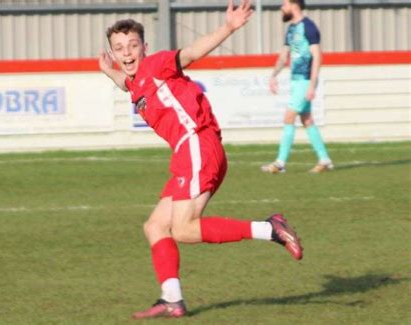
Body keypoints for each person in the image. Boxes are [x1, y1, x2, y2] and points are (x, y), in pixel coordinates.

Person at [99, 0, 303, 319]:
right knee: (156, 226)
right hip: (193, 151)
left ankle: (269, 228)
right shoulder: (136, 81)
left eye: (132, 46)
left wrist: (229, 27)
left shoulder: (156, 65)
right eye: (119, 48)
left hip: (196, 143)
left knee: (182, 229)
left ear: (145, 48)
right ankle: (172, 299)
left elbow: (191, 53)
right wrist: (108, 70)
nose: (126, 53)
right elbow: (126, 83)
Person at [262, 0, 333, 174]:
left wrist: (312, 85)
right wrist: (273, 75)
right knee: (306, 119)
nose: (281, 7)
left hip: (304, 81)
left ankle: (280, 163)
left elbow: (317, 57)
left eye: (284, 4)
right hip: (295, 81)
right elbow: (284, 55)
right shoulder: (291, 29)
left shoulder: (308, 27)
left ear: (294, 5)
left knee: (289, 118)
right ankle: (324, 160)